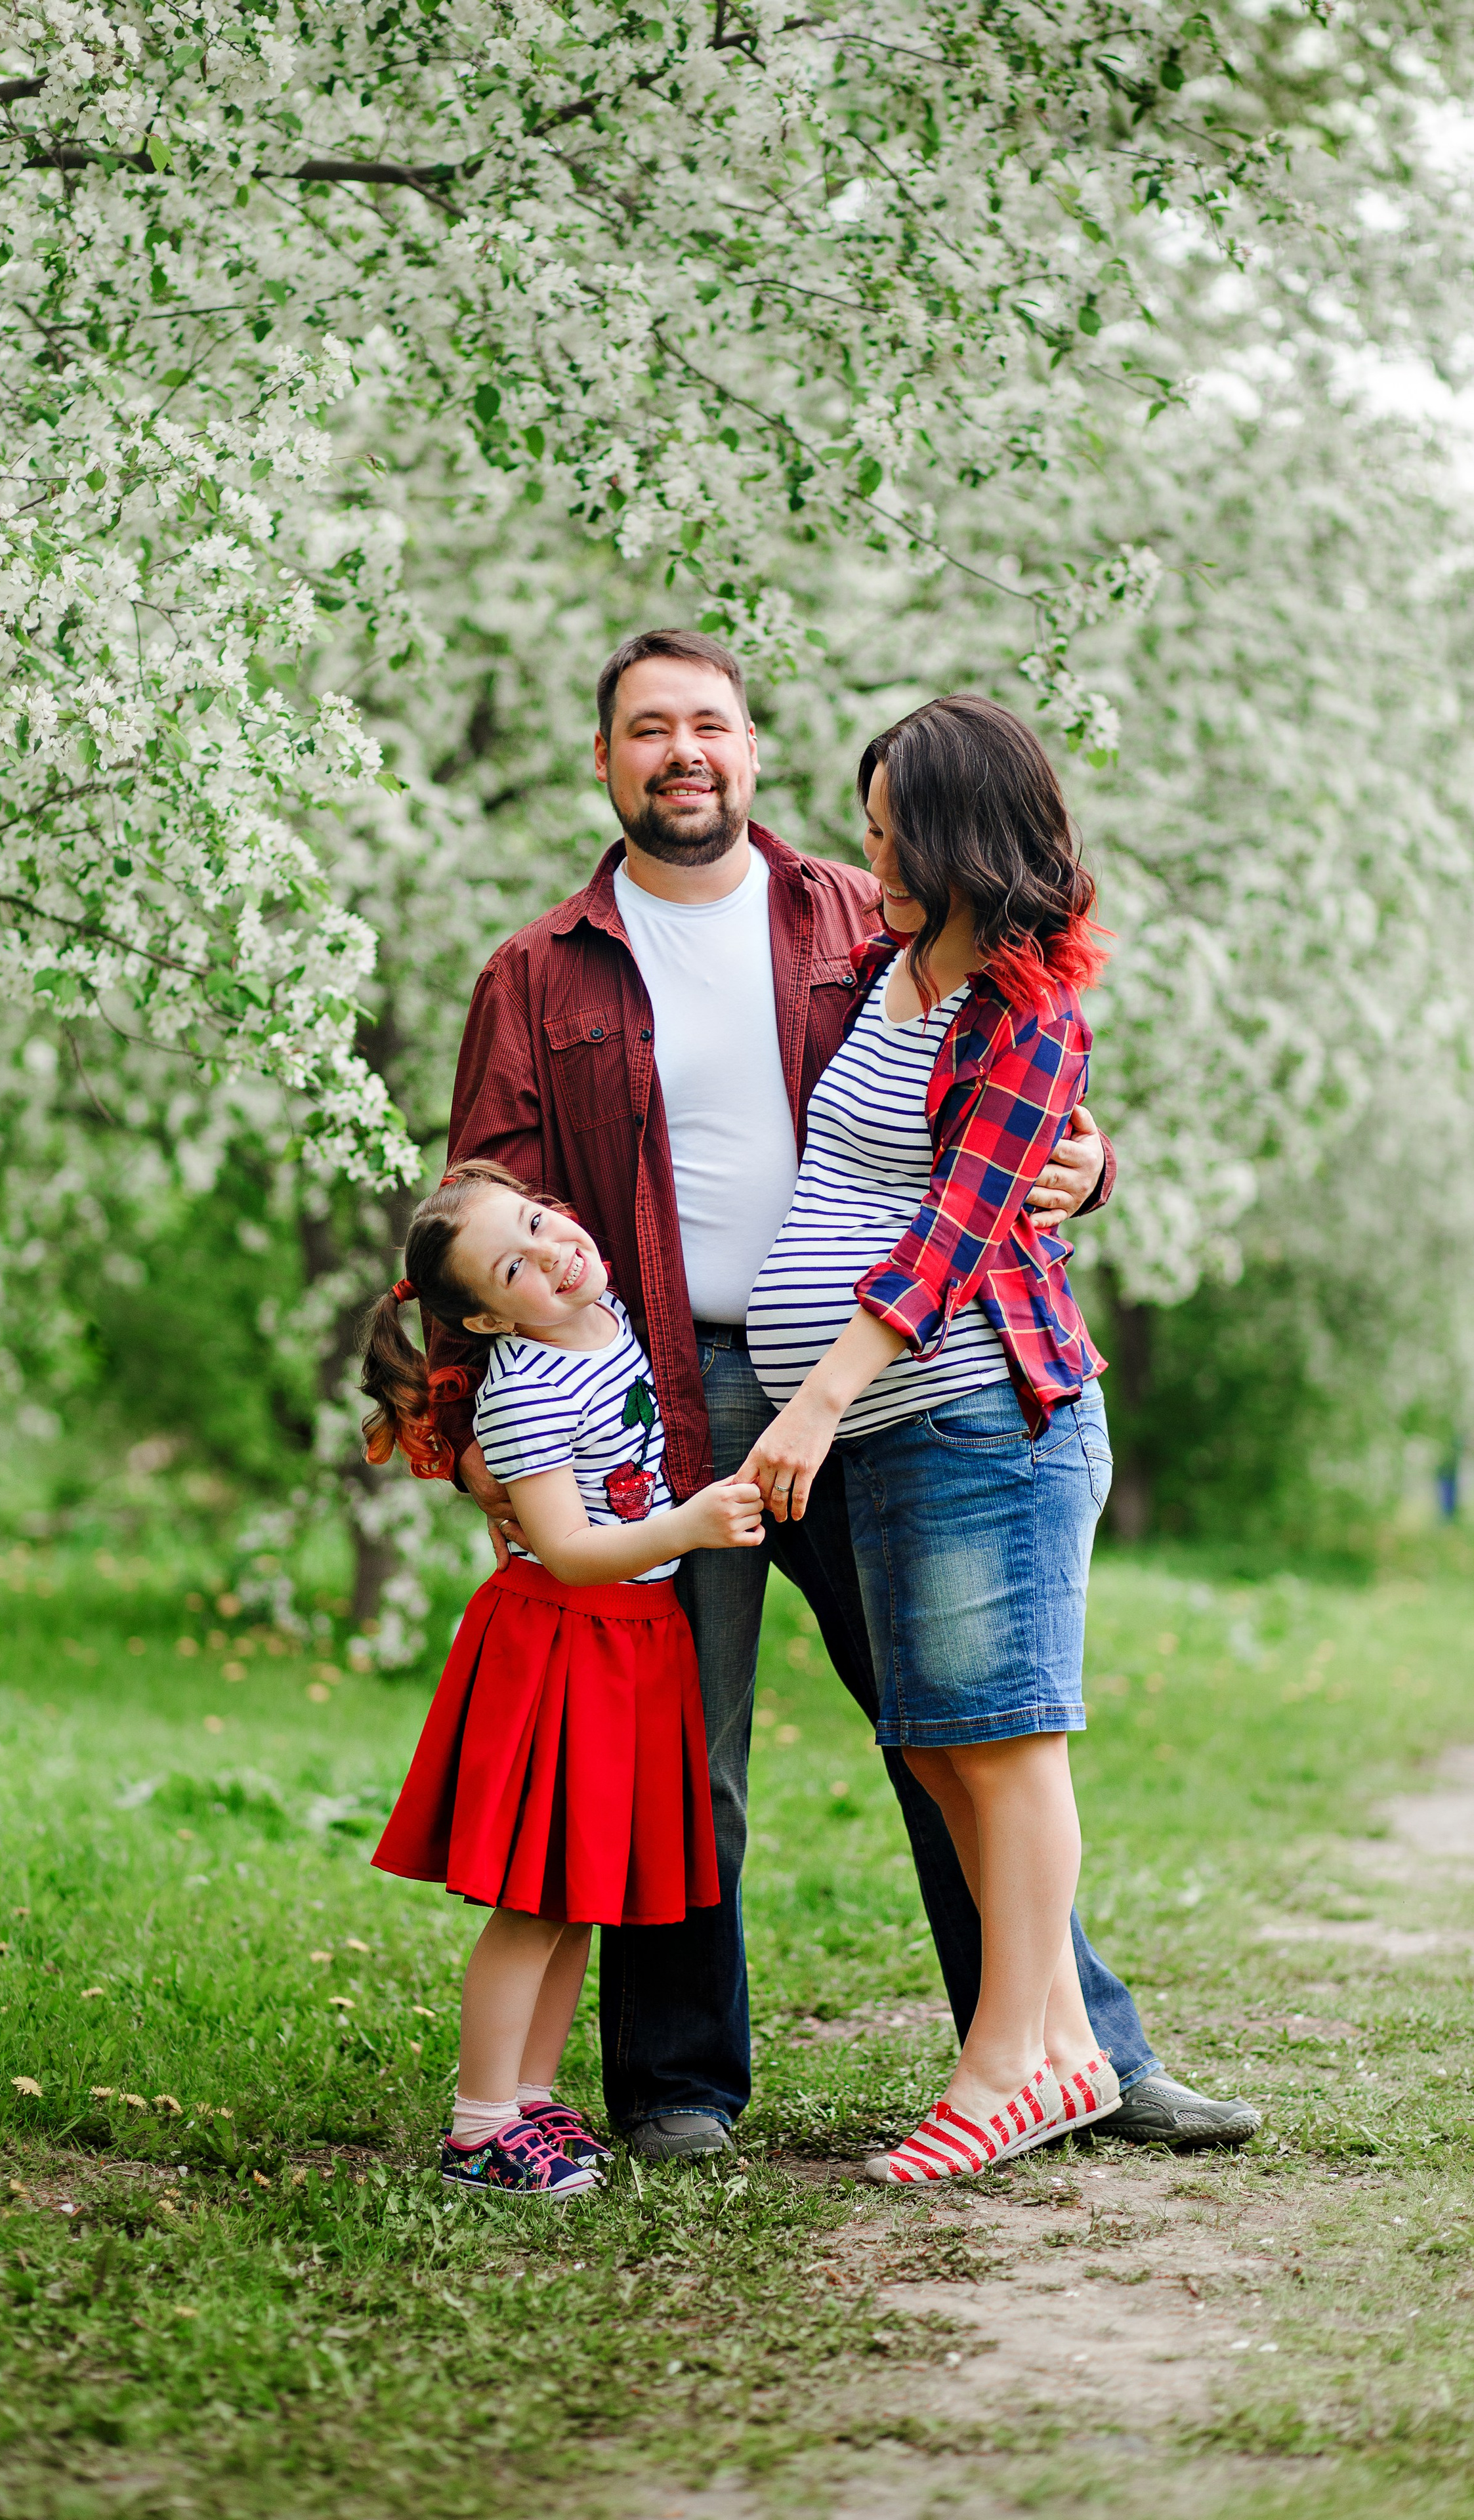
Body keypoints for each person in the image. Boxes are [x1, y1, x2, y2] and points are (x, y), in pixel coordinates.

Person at [424, 629, 1262, 2158]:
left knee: (952, 1715)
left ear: (751, 749)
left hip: (879, 1392)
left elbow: (995, 1097)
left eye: (711, 725)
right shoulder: (539, 975)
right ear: (601, 762)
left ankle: (1073, 2046)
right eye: (647, 729)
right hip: (659, 1405)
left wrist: (1089, 1162)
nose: (684, 752)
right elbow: (482, 1203)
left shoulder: (852, 913)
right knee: (689, 1749)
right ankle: (679, 2087)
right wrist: (470, 1440)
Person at [742, 694, 1123, 2178]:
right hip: (899, 1438)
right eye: (868, 831)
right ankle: (1068, 2053)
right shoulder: (879, 972)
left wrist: (811, 1404)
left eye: (895, 836)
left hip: (978, 1421)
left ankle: (1001, 2064)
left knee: (1006, 1746)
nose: (873, 859)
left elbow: (948, 1237)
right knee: (947, 1753)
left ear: (967, 837)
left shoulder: (1026, 1019)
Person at [362, 1160, 765, 2198]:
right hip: (567, 1640)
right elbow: (567, 1547)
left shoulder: (605, 1308)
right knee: (533, 1898)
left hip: (634, 1639)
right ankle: (477, 2126)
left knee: (580, 1890)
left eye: (540, 1222)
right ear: (492, 1323)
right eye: (516, 1264)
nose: (551, 1251)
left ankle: (530, 2100)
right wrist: (687, 1527)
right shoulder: (530, 1388)